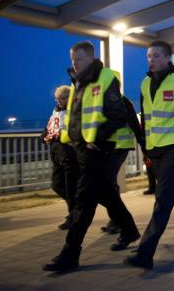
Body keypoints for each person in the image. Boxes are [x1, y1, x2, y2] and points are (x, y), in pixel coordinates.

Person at [44, 41, 140, 272]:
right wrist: (73, 141)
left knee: (84, 201)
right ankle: (129, 230)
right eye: (72, 60)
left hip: (96, 151)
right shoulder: (79, 82)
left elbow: (118, 115)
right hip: (79, 150)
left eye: (78, 60)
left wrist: (96, 142)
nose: (74, 64)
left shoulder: (106, 79)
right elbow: (76, 118)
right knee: (106, 194)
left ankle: (70, 254)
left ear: (90, 58)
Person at [125, 40, 174, 270]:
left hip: (173, 149)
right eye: (149, 56)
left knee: (163, 200)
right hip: (155, 150)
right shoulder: (144, 84)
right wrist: (146, 147)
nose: (151, 60)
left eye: (156, 56)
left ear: (168, 58)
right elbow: (147, 120)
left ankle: (145, 251)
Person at [100, 96, 146, 237]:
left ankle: (120, 222)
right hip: (105, 148)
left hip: (120, 147)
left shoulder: (122, 101)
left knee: (107, 183)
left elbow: (134, 123)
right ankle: (117, 220)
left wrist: (145, 150)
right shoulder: (97, 98)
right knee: (106, 185)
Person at [41, 85, 77, 230]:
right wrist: (44, 136)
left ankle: (73, 216)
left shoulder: (73, 111)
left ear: (69, 97)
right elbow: (49, 127)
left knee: (70, 188)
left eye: (62, 98)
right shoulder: (55, 111)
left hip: (69, 154)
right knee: (57, 185)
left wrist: (60, 135)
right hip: (57, 154)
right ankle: (76, 210)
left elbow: (75, 131)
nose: (59, 101)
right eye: (57, 98)